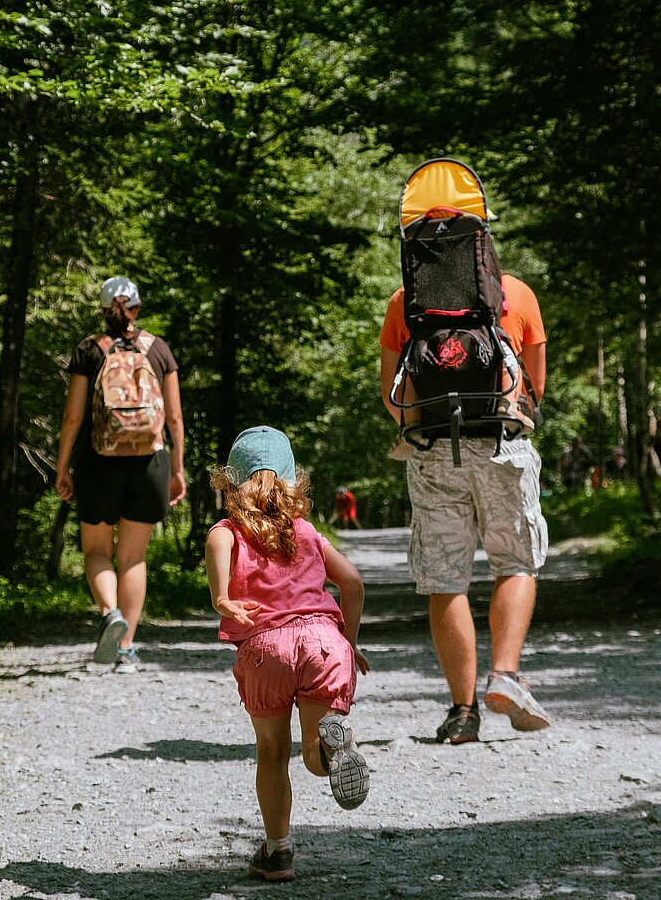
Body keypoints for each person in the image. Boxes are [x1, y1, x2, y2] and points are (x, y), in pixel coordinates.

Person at [380, 272, 551, 744]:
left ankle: (462, 712)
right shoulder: (515, 293)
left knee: (446, 579)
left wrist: (429, 426)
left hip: (435, 450)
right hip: (503, 443)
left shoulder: (405, 303)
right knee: (515, 561)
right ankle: (505, 675)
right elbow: (533, 387)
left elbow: (392, 394)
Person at [205, 426, 370, 883]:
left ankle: (278, 852)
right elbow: (353, 584)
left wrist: (223, 599)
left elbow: (219, 565)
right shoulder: (307, 532)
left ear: (230, 482)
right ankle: (335, 753)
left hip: (265, 649)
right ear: (292, 479)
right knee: (315, 752)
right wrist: (349, 644)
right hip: (323, 641)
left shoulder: (227, 531)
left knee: (273, 750)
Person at [55, 276, 186, 671]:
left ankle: (110, 612)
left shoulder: (89, 350)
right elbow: (175, 418)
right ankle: (126, 645)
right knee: (133, 557)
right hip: (151, 462)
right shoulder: (158, 349)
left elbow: (73, 416)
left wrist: (63, 466)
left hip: (99, 462)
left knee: (96, 551)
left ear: (103, 309)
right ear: (138, 309)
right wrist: (177, 470)